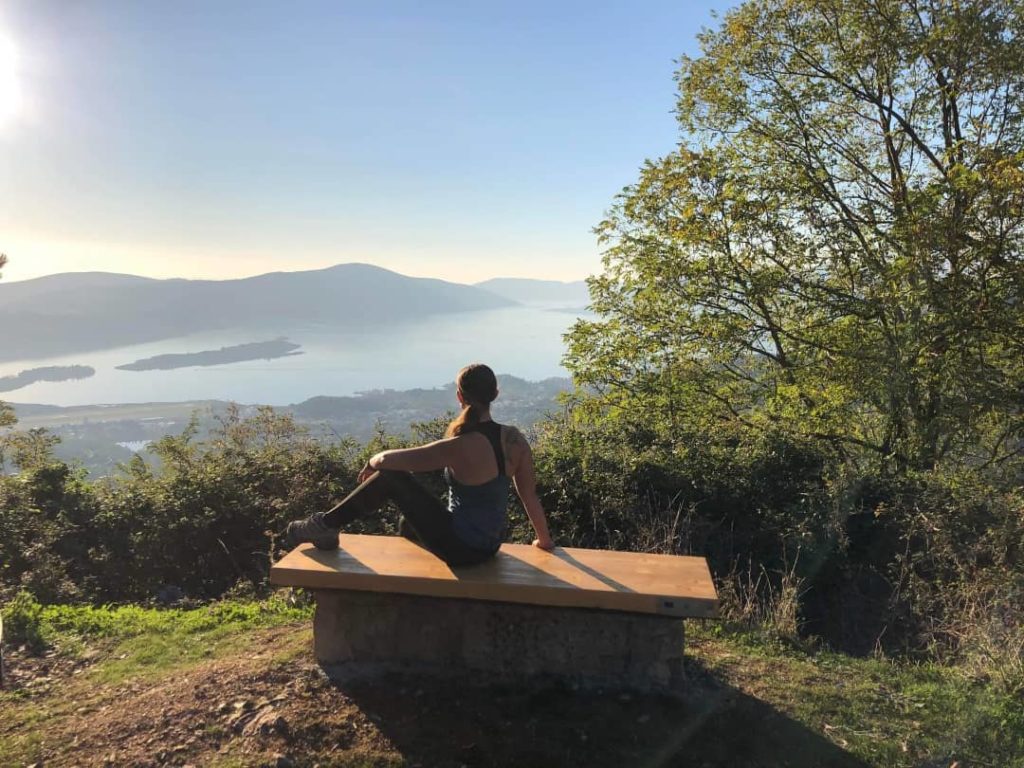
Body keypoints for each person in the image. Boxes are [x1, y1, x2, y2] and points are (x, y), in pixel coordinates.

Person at [285, 363, 554, 565]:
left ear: (460, 397)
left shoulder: (458, 445)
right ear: (495, 393)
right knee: (407, 525)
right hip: (490, 547)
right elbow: (528, 495)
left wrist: (371, 460)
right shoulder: (515, 440)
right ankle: (328, 527)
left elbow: (388, 461)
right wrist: (544, 541)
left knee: (390, 477)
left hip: (461, 550)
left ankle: (324, 525)